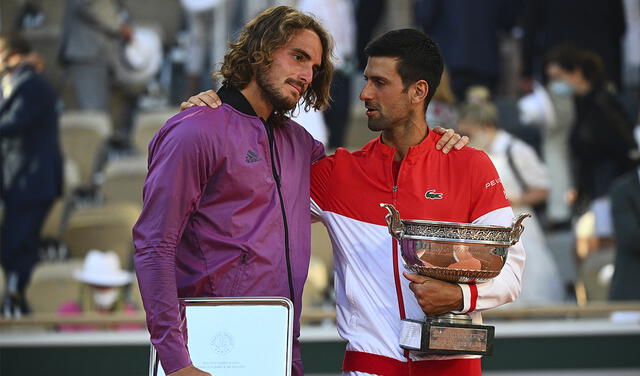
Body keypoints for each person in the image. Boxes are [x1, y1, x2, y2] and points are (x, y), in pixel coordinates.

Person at [138, 7, 467, 376]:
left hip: (280, 351)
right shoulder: (194, 131)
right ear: (259, 50)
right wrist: (177, 361)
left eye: (314, 66)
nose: (306, 75)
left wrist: (434, 144)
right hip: (205, 353)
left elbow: (370, 170)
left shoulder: (300, 145)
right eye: (297, 57)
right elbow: (154, 246)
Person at [185, 29, 522, 376]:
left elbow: (511, 271)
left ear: (418, 91)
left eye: (380, 83)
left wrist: (461, 298)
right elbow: (240, 193)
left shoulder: (469, 165)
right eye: (366, 80)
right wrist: (215, 116)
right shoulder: (337, 173)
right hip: (369, 367)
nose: (364, 94)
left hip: (455, 367)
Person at [458, 101, 565, 304]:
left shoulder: (515, 149)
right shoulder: (474, 154)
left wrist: (512, 199)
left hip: (517, 223)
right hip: (486, 227)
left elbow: (542, 189)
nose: (467, 139)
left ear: (486, 127)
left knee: (529, 280)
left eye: (470, 133)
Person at [546, 45, 638, 242]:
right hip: (595, 187)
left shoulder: (602, 103)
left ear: (576, 73)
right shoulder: (580, 104)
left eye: (558, 77)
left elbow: (623, 146)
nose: (555, 84)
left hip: (609, 186)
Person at [0, 32, 63, 318]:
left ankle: (18, 302)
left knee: (18, 245)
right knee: (16, 243)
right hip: (21, 181)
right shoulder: (15, 84)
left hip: (32, 181)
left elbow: (14, 122)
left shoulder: (33, 84)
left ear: (12, 54)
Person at [58, 249, 142, 331]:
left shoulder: (129, 314)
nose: (104, 290)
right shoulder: (69, 312)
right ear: (87, 287)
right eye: (98, 286)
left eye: (109, 285)